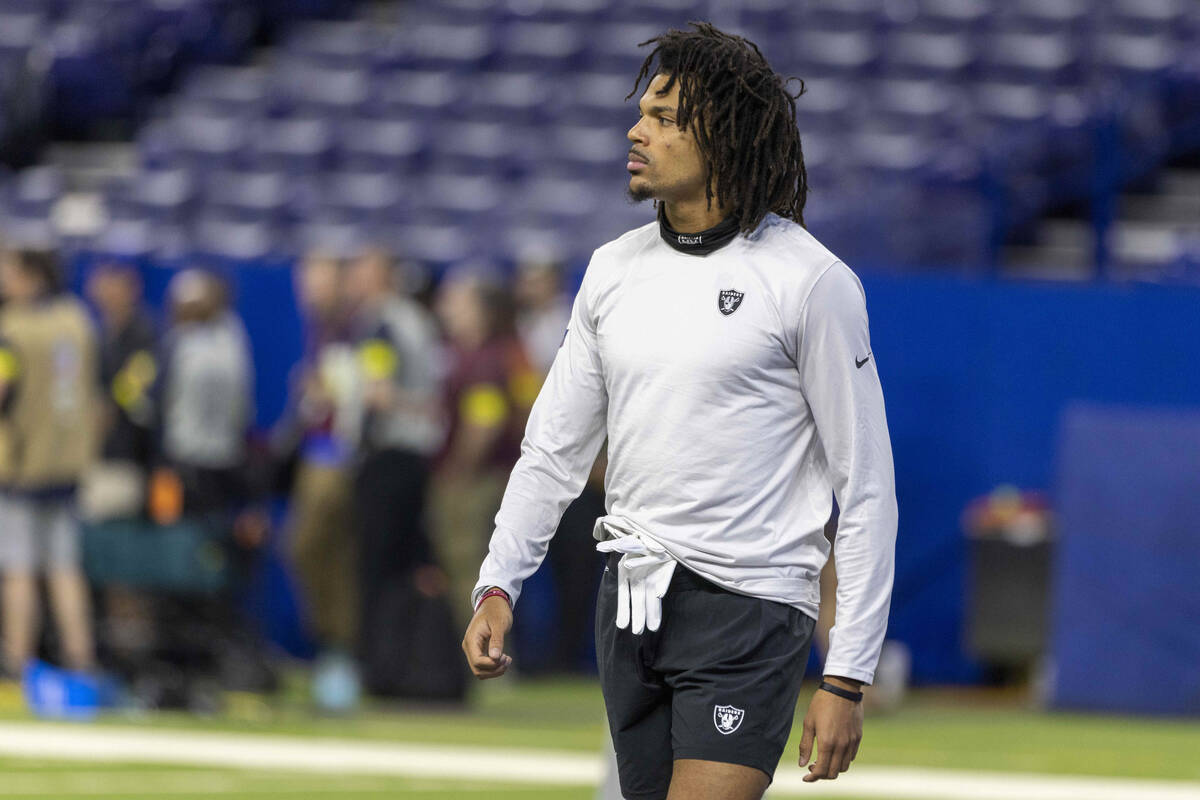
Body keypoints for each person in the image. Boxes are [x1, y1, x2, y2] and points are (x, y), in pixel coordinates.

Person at [463, 23, 898, 800]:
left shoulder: (809, 282)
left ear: (724, 140)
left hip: (750, 611)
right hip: (627, 603)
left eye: (666, 118)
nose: (637, 130)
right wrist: (498, 582)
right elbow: (553, 451)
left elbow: (864, 487)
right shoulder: (612, 269)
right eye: (644, 113)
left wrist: (847, 676)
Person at [343, 246, 444, 694]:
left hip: (390, 455)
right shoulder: (416, 319)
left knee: (378, 568)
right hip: (416, 458)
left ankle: (378, 667)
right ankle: (404, 662)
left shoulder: (383, 322)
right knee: (407, 566)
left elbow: (378, 394)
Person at [0, 246, 99, 678]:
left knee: (19, 570)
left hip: (23, 466)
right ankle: (81, 660)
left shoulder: (14, 330)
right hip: (68, 467)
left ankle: (18, 663)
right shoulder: (76, 321)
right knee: (63, 568)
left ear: (31, 274)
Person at [274, 251, 363, 708]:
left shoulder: (353, 325)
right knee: (323, 555)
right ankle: (334, 652)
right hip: (320, 454)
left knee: (310, 547)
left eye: (316, 279)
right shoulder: (320, 329)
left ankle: (337, 649)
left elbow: (350, 396)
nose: (307, 288)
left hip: (336, 458)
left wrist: (320, 394)